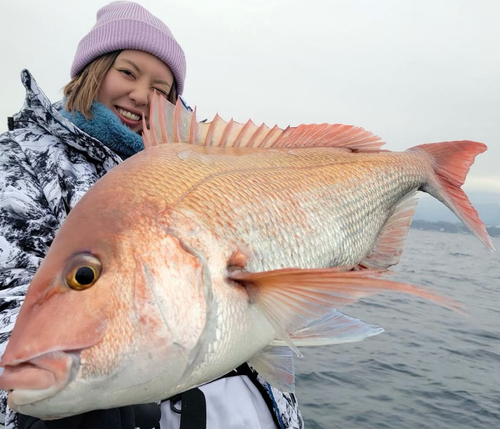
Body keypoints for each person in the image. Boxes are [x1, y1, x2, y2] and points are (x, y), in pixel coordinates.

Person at [0, 2, 303, 428]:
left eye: (161, 89)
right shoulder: (20, 160)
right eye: (127, 72)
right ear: (92, 71)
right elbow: (9, 295)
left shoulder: (200, 167)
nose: (142, 96)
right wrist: (54, 405)